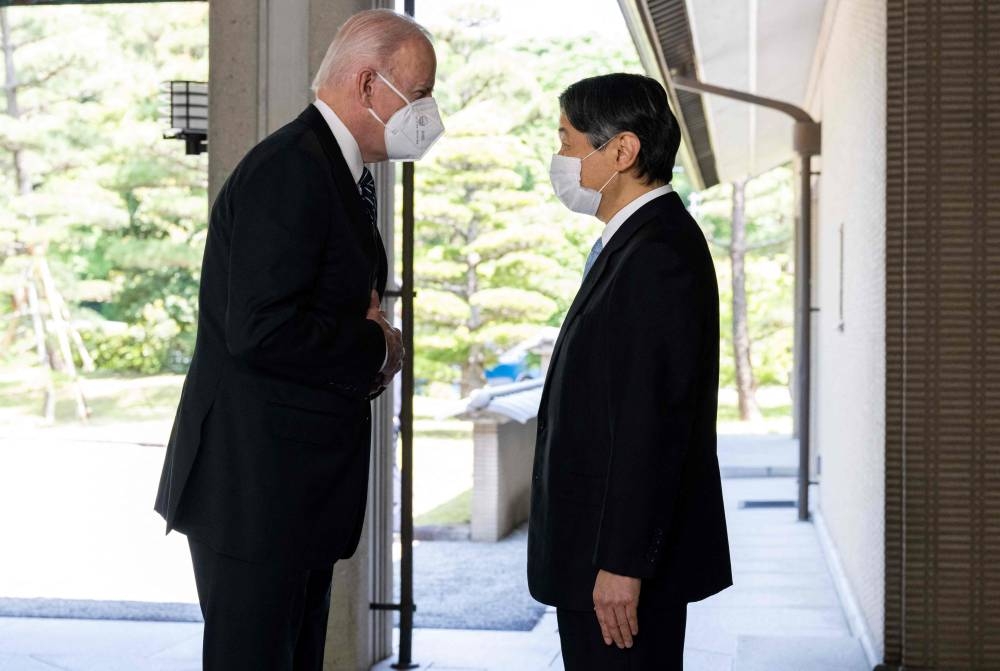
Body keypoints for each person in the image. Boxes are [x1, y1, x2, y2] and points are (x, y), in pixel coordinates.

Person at [152, 10, 442, 670]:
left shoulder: (337, 172)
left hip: (293, 493)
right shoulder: (290, 169)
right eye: (420, 92)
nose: (427, 110)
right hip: (255, 493)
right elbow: (261, 330)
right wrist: (376, 348)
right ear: (369, 86)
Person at [527, 73, 732, 670]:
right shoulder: (636, 242)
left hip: (618, 571)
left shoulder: (657, 255)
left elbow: (652, 422)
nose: (560, 158)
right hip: (601, 559)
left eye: (567, 141)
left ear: (621, 151)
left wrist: (623, 562)